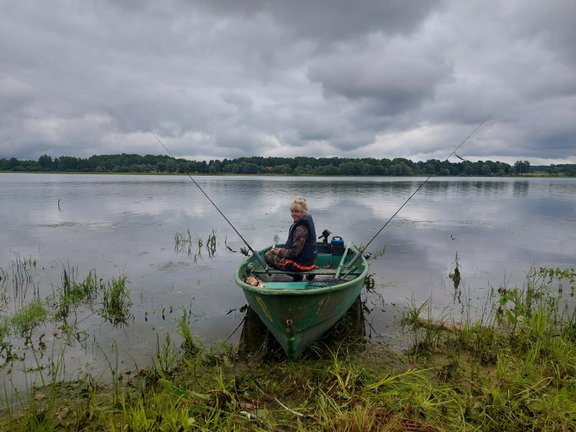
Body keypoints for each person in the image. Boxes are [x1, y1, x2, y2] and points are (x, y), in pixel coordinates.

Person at [265, 197, 317, 280]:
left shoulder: (301, 229)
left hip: (300, 265)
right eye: (292, 211)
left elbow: (294, 253)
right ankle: (308, 273)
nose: (293, 214)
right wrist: (282, 251)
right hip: (309, 260)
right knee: (277, 252)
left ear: (303, 212)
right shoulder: (305, 222)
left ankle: (297, 275)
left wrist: (281, 252)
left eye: (297, 211)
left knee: (268, 255)